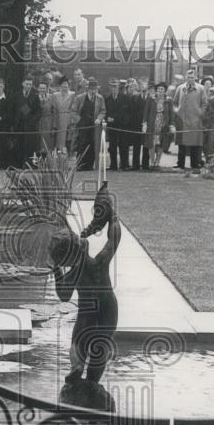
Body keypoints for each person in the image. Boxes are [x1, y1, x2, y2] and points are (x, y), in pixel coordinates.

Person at [48, 182, 120, 399]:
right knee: (100, 346)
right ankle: (91, 382)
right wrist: (113, 218)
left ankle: (77, 369)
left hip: (89, 310)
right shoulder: (98, 263)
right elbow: (114, 240)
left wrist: (57, 272)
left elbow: (63, 295)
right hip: (108, 308)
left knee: (77, 343)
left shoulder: (73, 274)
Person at [173, 69, 206, 172]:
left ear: (195, 77)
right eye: (188, 77)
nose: (190, 79)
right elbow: (174, 102)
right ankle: (180, 164)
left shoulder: (201, 88)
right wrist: (177, 111)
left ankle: (195, 165)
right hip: (182, 119)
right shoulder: (180, 88)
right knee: (181, 143)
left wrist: (200, 113)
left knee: (195, 143)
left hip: (195, 119)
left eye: (192, 77)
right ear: (185, 77)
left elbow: (204, 103)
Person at [73, 78, 106, 170]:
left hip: (94, 125)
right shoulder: (79, 98)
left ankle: (89, 165)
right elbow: (73, 111)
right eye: (91, 89)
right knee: (82, 144)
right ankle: (80, 165)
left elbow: (103, 111)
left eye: (95, 89)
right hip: (82, 125)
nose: (93, 91)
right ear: (87, 89)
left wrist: (99, 119)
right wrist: (79, 120)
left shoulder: (100, 98)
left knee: (92, 144)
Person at [143, 81, 175, 170]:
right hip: (152, 124)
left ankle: (157, 162)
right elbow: (146, 112)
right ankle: (152, 162)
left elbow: (171, 113)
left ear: (165, 91)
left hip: (163, 124)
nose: (160, 91)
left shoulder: (169, 100)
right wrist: (144, 123)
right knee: (151, 143)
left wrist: (172, 125)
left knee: (161, 144)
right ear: (156, 90)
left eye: (162, 89)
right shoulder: (150, 99)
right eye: (158, 89)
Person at [13, 75, 41, 166]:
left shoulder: (35, 97)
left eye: (30, 84)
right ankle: (18, 164)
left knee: (29, 146)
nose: (29, 86)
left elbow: (38, 112)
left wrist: (32, 120)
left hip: (30, 126)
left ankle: (28, 165)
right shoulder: (16, 95)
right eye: (27, 84)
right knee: (19, 145)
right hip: (19, 125)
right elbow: (13, 110)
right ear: (23, 84)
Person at [104, 77, 129, 171]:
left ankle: (124, 165)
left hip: (122, 126)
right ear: (109, 87)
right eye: (112, 86)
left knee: (123, 145)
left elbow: (125, 112)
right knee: (112, 146)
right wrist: (107, 118)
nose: (113, 88)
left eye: (115, 86)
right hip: (112, 127)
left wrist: (114, 119)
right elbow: (105, 111)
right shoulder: (107, 99)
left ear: (118, 87)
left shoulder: (125, 98)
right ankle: (113, 165)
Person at [51, 77, 74, 155]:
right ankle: (59, 158)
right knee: (59, 141)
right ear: (60, 86)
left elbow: (74, 109)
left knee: (69, 139)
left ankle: (69, 158)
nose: (65, 88)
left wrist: (72, 121)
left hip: (69, 119)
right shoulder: (55, 95)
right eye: (63, 86)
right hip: (58, 119)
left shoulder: (72, 94)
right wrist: (54, 124)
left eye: (66, 86)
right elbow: (53, 109)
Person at [37, 81, 55, 157]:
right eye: (40, 88)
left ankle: (47, 164)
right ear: (38, 89)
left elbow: (55, 113)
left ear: (47, 88)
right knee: (38, 145)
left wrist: (54, 127)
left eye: (44, 88)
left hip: (48, 124)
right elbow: (28, 111)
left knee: (47, 146)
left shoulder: (51, 98)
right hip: (38, 124)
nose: (42, 90)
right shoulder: (34, 98)